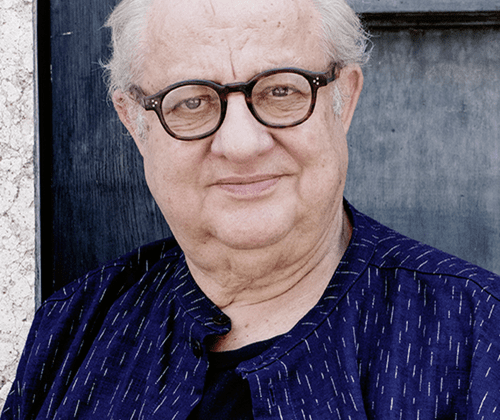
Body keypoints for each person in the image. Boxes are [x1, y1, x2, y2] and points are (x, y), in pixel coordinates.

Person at [2, 0, 500, 418]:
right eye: (191, 101)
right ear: (135, 124)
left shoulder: (479, 335)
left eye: (281, 90)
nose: (241, 145)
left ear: (344, 100)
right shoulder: (71, 327)